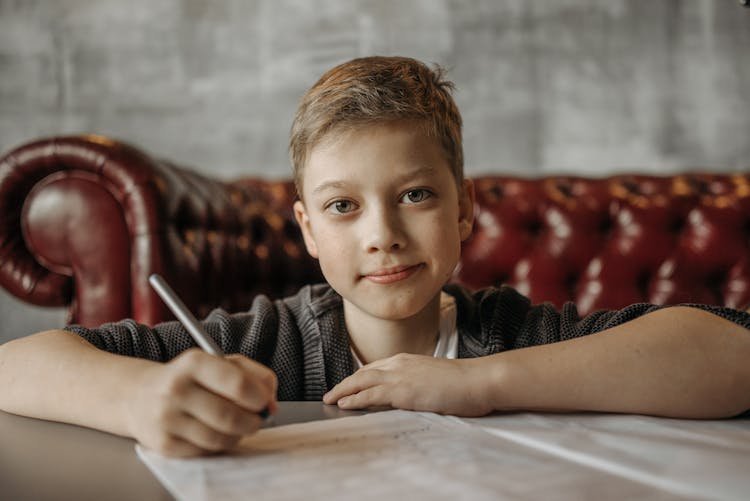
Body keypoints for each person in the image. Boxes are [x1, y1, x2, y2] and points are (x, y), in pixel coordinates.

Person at [1, 56, 749, 458]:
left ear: (464, 208)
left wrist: (480, 381)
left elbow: (732, 351)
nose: (382, 233)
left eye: (416, 196)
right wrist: (140, 400)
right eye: (343, 206)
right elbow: (16, 365)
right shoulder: (265, 342)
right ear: (307, 229)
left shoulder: (518, 335)